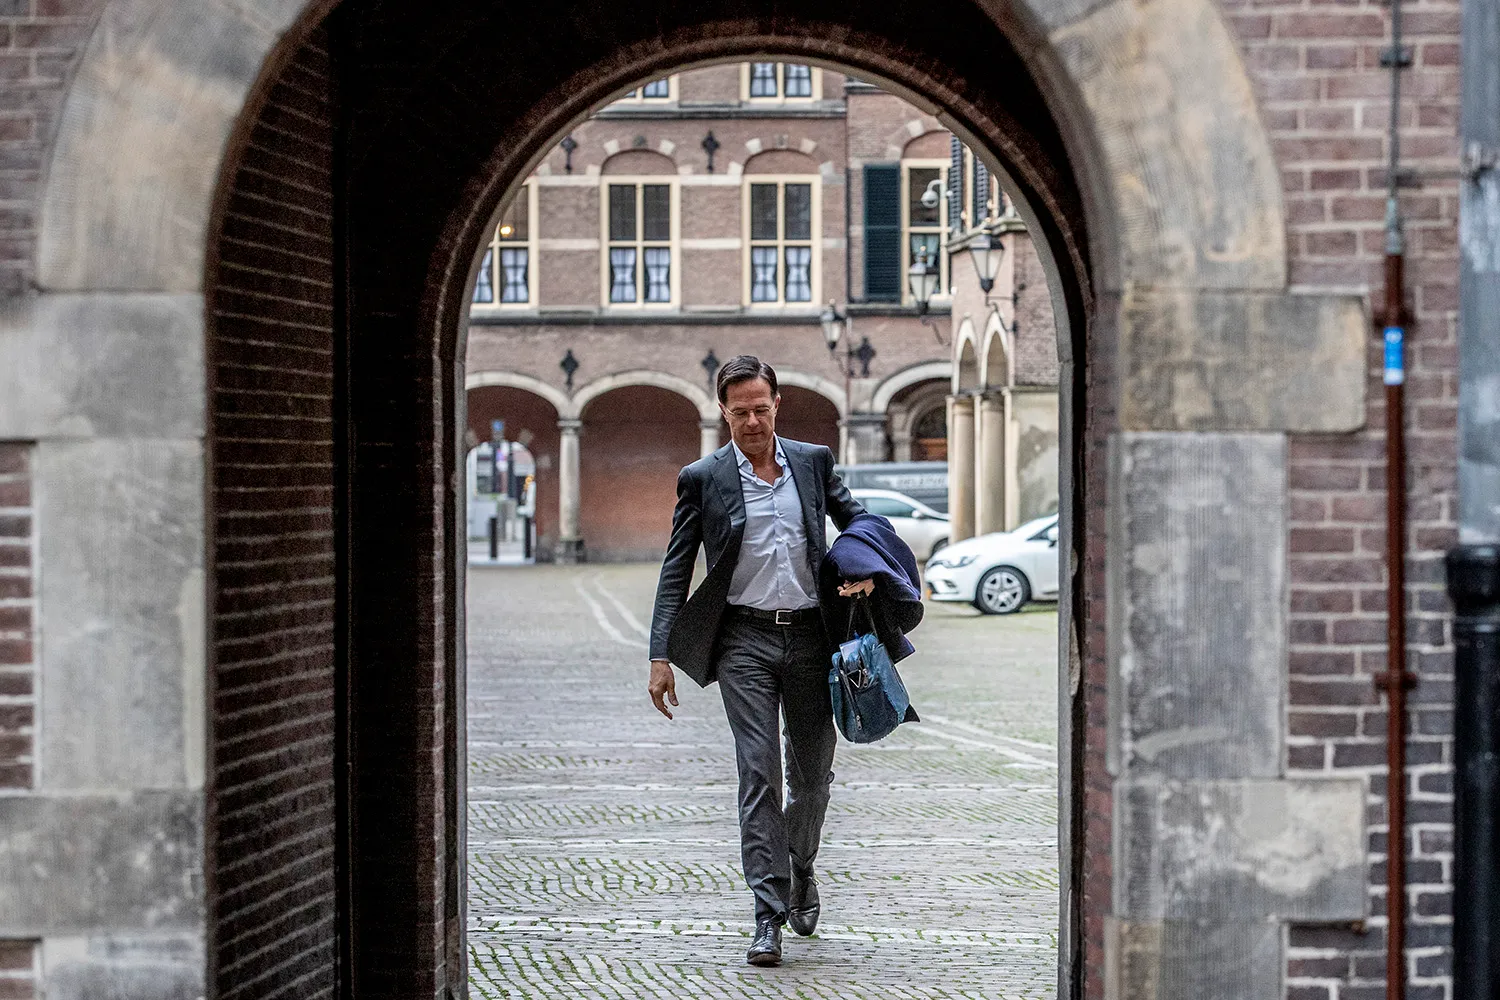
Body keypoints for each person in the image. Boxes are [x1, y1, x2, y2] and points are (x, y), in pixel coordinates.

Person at [647, 355, 870, 967]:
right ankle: (766, 913)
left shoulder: (812, 461)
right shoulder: (703, 477)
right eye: (739, 411)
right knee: (759, 773)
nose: (751, 420)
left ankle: (801, 865)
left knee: (813, 777)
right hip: (742, 640)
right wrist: (660, 653)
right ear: (723, 411)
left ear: (778, 405)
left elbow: (858, 526)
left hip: (812, 639)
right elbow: (677, 568)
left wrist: (870, 574)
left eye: (761, 408)